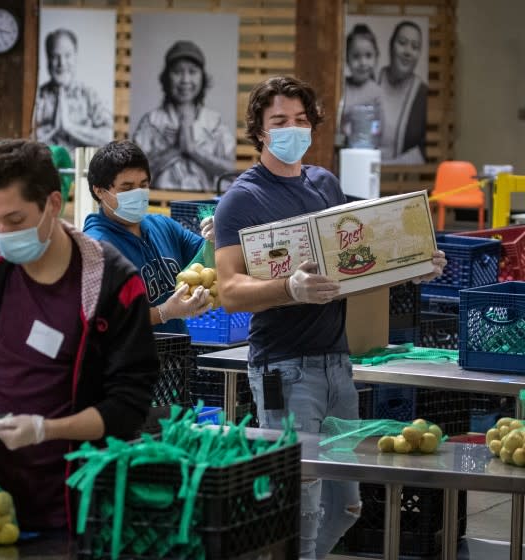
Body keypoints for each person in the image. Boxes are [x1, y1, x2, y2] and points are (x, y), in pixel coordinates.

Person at [212, 76, 446, 558]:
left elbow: (354, 270)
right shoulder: (241, 199)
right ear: (259, 130)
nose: (291, 129)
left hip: (338, 367)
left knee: (345, 506)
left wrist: (411, 269)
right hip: (284, 368)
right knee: (300, 506)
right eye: (279, 121)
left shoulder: (325, 185)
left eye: (300, 120)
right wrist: (287, 288)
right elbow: (231, 291)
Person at [0, 140, 159, 532]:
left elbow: (128, 405)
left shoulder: (112, 283)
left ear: (53, 203)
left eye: (15, 221)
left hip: (78, 507)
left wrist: (45, 430)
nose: (2, 233)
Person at [82, 140, 212, 335]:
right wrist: (164, 313)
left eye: (143, 185)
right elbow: (103, 319)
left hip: (175, 356)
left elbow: (205, 257)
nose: (137, 193)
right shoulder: (96, 247)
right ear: (99, 191)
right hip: (128, 362)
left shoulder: (162, 226)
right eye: (127, 188)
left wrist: (217, 238)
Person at [132, 40, 235, 192]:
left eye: (192, 72)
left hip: (203, 208)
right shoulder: (151, 121)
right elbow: (133, 174)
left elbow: (233, 172)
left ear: (202, 77)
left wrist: (193, 150)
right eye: (177, 72)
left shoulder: (215, 123)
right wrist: (176, 149)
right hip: (160, 206)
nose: (185, 80)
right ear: (167, 77)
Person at [34, 28, 113, 151]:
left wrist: (70, 128)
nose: (62, 63)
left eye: (67, 55)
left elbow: (108, 136)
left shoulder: (89, 96)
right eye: (55, 56)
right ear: (48, 60)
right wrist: (53, 128)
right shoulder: (36, 97)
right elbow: (23, 137)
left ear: (75, 57)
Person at [377, 20, 427, 165]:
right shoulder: (371, 80)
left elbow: (423, 150)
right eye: (402, 42)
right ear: (391, 45)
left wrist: (386, 168)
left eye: (415, 47)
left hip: (404, 181)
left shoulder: (423, 94)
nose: (407, 52)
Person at [341, 24, 383, 149]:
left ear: (376, 57)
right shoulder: (342, 87)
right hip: (344, 149)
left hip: (368, 150)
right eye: (356, 56)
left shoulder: (376, 92)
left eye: (368, 56)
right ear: (347, 59)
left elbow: (380, 128)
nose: (363, 62)